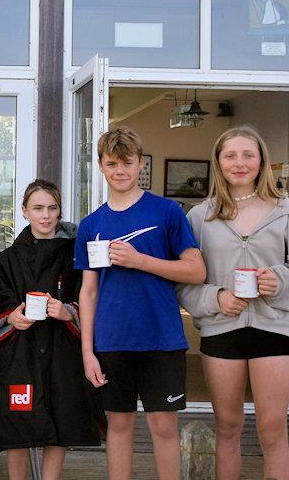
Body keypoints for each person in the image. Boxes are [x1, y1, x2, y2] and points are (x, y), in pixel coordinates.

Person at [177, 126, 289, 480]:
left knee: (273, 430)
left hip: (273, 330)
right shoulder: (199, 218)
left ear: (261, 161)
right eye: (230, 155)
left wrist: (279, 280)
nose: (240, 163)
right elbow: (183, 283)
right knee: (227, 428)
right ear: (219, 162)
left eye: (248, 155)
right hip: (222, 332)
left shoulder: (286, 213)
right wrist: (216, 297)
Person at [75, 127, 206, 480]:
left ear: (141, 164)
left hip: (161, 339)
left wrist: (141, 261)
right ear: (101, 166)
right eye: (112, 163)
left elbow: (196, 270)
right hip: (112, 341)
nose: (120, 171)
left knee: (164, 428)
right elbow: (88, 292)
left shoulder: (166, 212)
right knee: (118, 427)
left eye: (127, 163)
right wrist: (87, 352)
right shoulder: (91, 225)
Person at [0, 179, 103, 480]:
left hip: (63, 350)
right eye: (38, 208)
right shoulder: (5, 260)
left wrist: (67, 311)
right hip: (20, 352)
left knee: (60, 419)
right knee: (18, 421)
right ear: (24, 211)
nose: (46, 215)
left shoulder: (75, 256)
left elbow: (88, 298)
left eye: (52, 208)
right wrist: (13, 318)